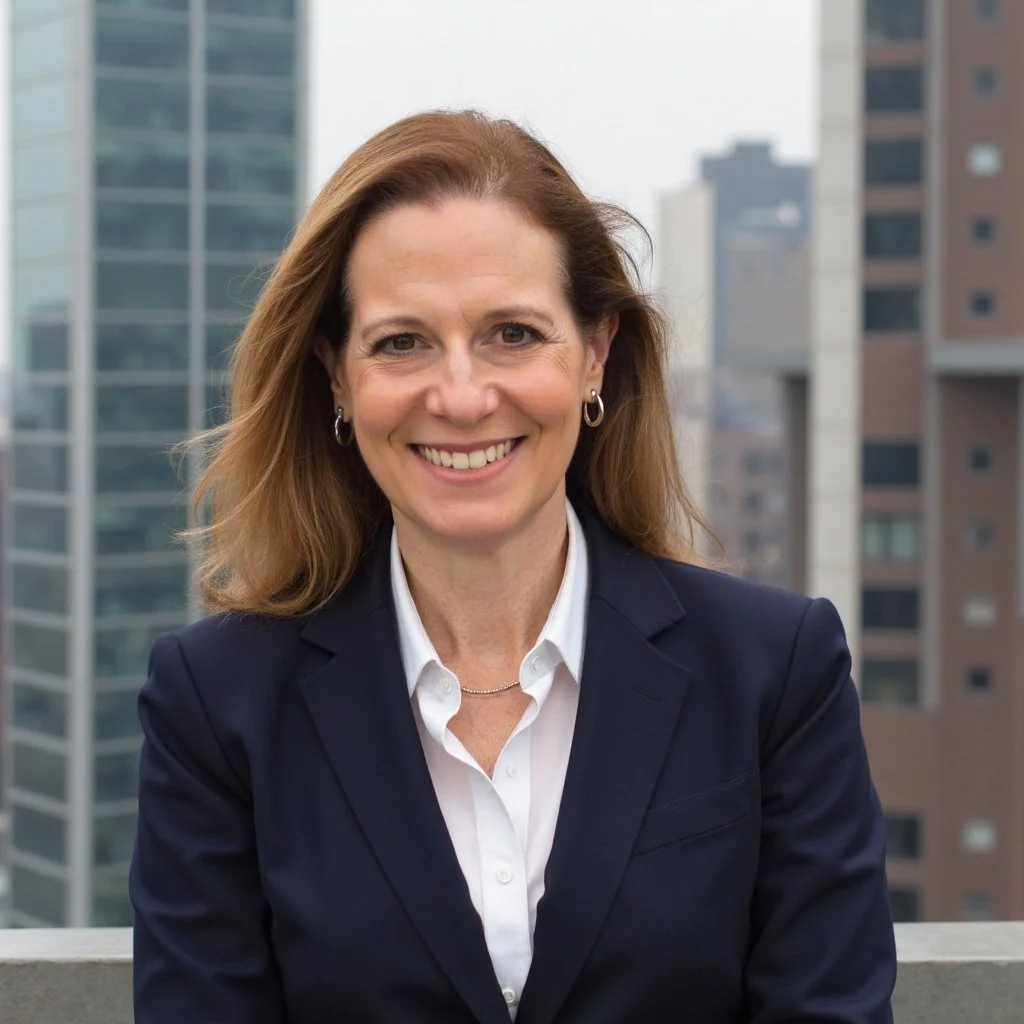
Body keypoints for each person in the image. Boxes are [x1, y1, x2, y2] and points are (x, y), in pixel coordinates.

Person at [130, 110, 897, 1023]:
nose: (461, 397)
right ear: (337, 376)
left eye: (514, 334)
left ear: (596, 354)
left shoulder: (776, 671)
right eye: (402, 342)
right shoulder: (217, 704)